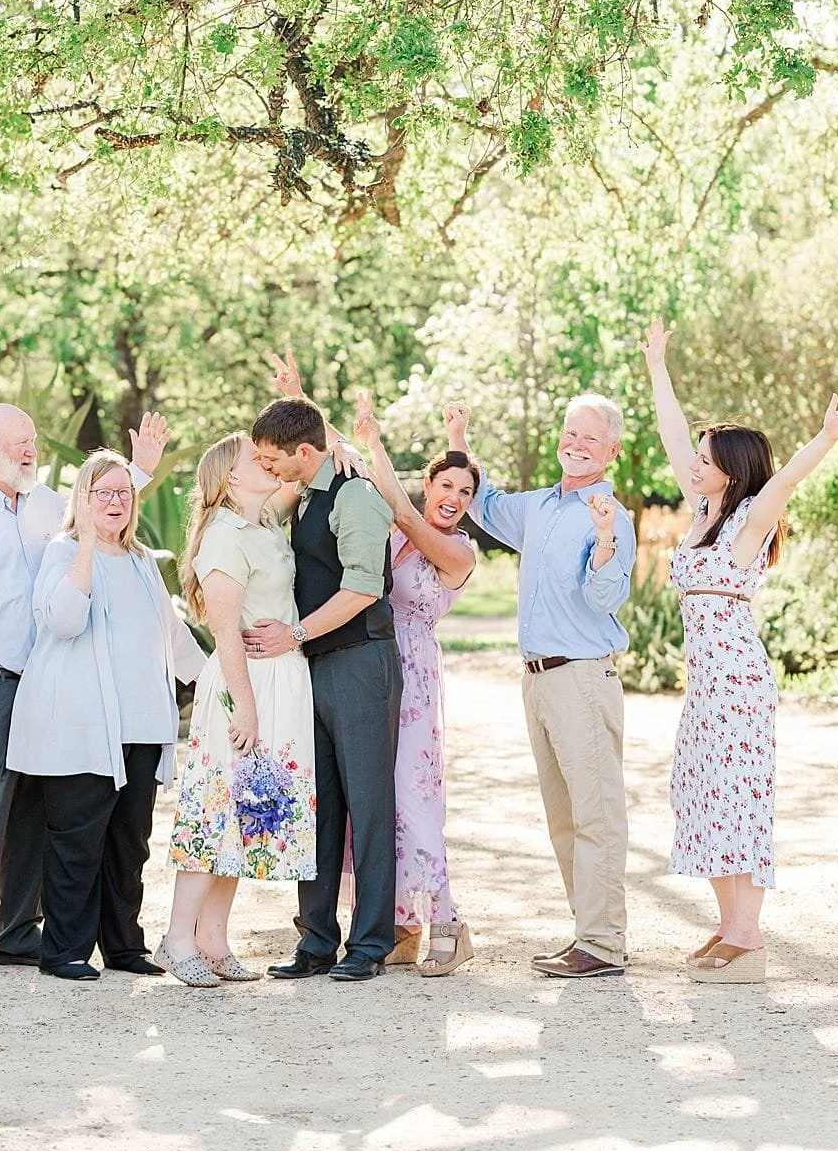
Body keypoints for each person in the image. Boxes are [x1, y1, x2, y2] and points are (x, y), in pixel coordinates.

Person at [646, 321, 838, 982]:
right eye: (697, 455)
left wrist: (826, 437)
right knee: (701, 796)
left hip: (738, 685)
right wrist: (658, 366)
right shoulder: (701, 513)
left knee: (738, 800)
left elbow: (785, 483)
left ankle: (747, 936)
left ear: (732, 469)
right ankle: (730, 927)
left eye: (706, 457)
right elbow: (672, 433)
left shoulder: (746, 524)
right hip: (706, 686)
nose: (694, 462)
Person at [0, 407, 167, 978]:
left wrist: (139, 471)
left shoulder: (47, 504)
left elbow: (100, 511)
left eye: (32, 440)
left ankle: (16, 933)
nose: (30, 450)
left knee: (34, 814)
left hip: (50, 687)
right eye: (18, 442)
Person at [453, 394, 635, 976]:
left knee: (596, 813)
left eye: (590, 438)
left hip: (582, 677)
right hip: (537, 681)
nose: (576, 444)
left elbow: (606, 598)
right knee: (563, 819)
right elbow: (481, 502)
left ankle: (603, 943)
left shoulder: (611, 515)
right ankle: (589, 934)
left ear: (611, 451)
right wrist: (458, 437)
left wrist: (603, 539)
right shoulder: (538, 506)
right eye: (571, 433)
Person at [7, 450, 201, 982]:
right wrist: (89, 544)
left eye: (124, 492)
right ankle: (64, 951)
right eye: (103, 493)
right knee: (77, 842)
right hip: (82, 728)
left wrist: (211, 682)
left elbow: (171, 632)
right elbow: (64, 621)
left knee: (129, 843)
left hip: (142, 725)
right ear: (84, 500)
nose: (115, 501)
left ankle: (123, 945)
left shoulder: (141, 559)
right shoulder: (64, 551)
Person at [244, 393, 400, 980]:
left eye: (272, 457)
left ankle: (369, 945)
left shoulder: (354, 496)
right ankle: (314, 941)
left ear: (304, 453)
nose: (266, 466)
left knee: (370, 807)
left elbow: (363, 588)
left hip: (361, 664)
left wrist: (294, 634)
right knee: (318, 806)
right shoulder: (305, 493)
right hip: (313, 666)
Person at [163, 432, 316, 987]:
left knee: (245, 816)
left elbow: (306, 465)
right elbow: (225, 631)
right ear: (231, 477)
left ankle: (213, 939)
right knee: (214, 812)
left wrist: (343, 443)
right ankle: (177, 938)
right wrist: (245, 708)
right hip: (242, 685)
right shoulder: (224, 536)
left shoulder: (264, 522)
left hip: (280, 681)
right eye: (257, 457)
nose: (268, 461)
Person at [347, 394, 481, 976]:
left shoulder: (459, 552)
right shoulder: (390, 530)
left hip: (415, 675)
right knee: (373, 798)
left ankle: (447, 921)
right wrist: (301, 400)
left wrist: (374, 444)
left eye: (466, 492)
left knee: (414, 797)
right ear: (428, 485)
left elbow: (404, 513)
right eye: (446, 486)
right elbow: (331, 451)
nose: (454, 498)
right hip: (371, 666)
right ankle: (400, 923)